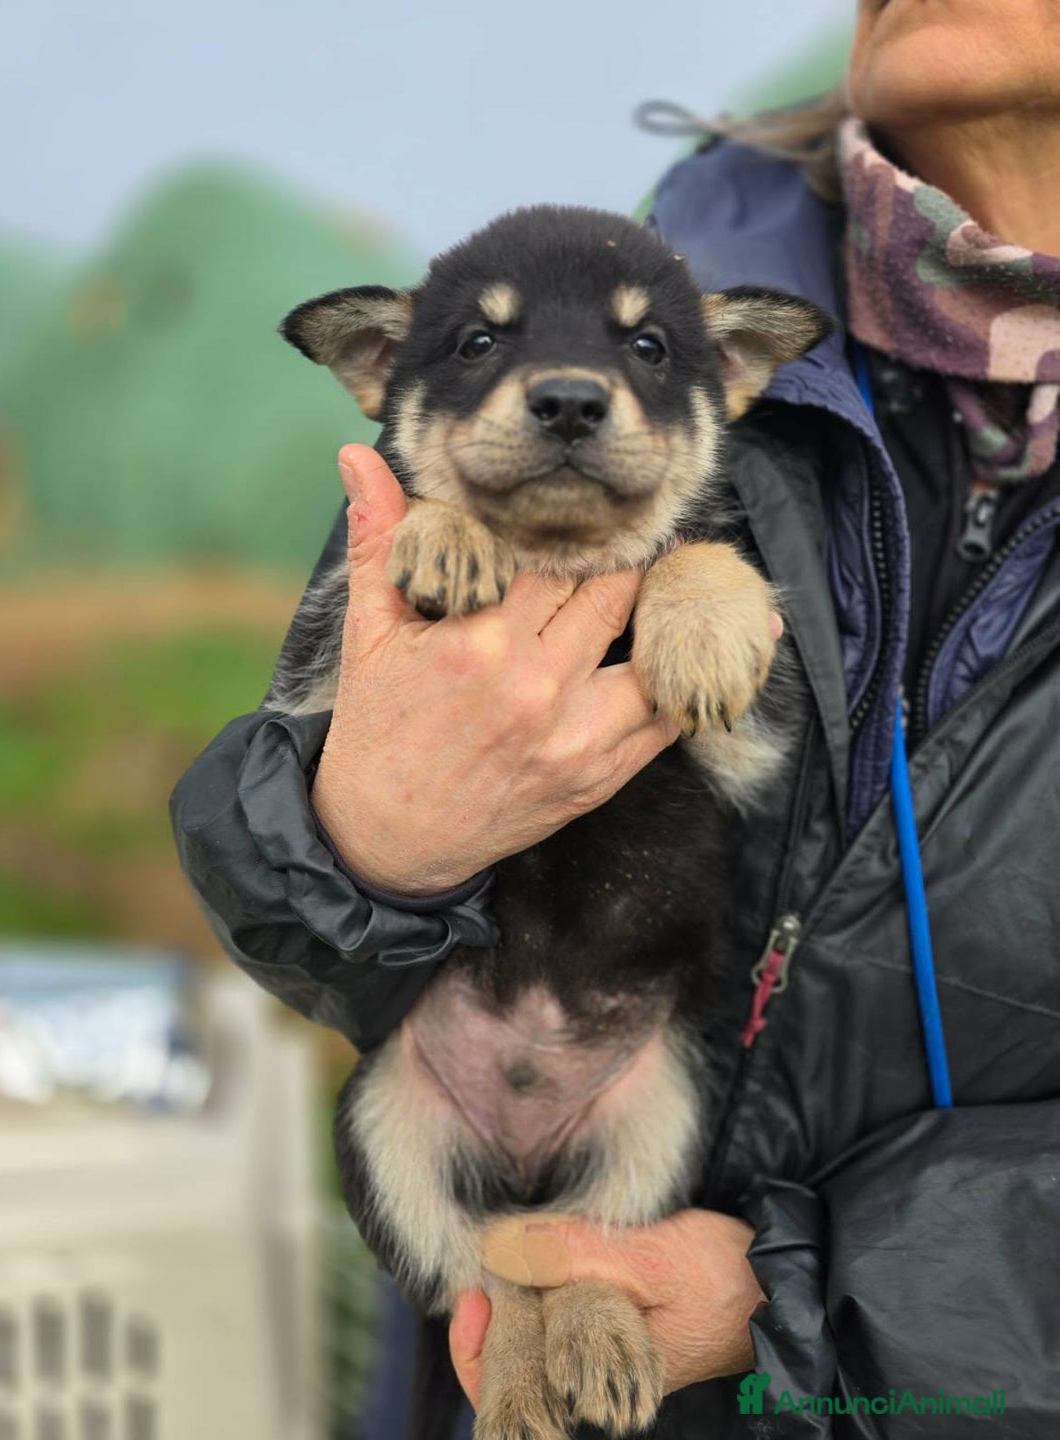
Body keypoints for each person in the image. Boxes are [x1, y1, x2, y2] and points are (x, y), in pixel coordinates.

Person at [171, 1, 1060, 1433]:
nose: (570, 387)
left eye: (638, 361)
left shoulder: (695, 365)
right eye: (490, 352)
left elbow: (735, 732)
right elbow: (272, 865)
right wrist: (358, 847)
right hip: (481, 1283)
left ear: (729, 379)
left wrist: (806, 1303)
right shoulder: (594, 339)